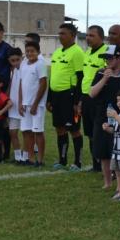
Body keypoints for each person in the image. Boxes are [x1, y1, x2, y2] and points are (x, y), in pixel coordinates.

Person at [48, 23, 86, 171]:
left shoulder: (77, 52)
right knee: (60, 128)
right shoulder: (57, 52)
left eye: (63, 33)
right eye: (59, 33)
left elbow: (80, 77)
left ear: (73, 36)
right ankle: (62, 160)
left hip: (69, 96)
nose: (60, 36)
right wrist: (49, 98)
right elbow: (53, 76)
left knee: (74, 129)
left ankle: (77, 162)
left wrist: (77, 101)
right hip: (56, 96)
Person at [88, 45, 120, 190]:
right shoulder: (101, 73)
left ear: (119, 58)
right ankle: (108, 181)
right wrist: (105, 78)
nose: (107, 61)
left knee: (117, 152)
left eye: (110, 58)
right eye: (106, 58)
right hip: (102, 117)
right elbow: (92, 93)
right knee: (103, 152)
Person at [81, 25, 109, 173]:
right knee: (90, 132)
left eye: (92, 35)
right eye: (87, 35)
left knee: (99, 131)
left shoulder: (106, 53)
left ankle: (103, 162)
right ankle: (95, 164)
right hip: (86, 96)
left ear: (101, 37)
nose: (88, 38)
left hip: (98, 99)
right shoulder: (87, 53)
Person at [19, 41, 48, 167]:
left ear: (38, 52)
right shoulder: (23, 64)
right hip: (25, 105)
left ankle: (40, 160)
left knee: (38, 132)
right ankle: (30, 158)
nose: (30, 53)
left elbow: (43, 84)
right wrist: (20, 102)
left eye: (32, 51)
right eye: (28, 51)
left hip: (36, 105)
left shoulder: (40, 64)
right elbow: (21, 84)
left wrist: (36, 103)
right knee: (26, 131)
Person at [6, 48, 24, 163]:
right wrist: (6, 98)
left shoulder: (25, 69)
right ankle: (18, 156)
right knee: (12, 132)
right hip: (13, 106)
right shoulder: (13, 70)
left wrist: (22, 102)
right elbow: (12, 85)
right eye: (13, 61)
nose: (16, 62)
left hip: (22, 107)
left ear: (21, 58)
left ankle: (27, 155)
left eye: (18, 60)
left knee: (27, 133)